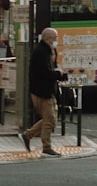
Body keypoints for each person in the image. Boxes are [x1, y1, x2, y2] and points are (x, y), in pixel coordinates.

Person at [20, 27, 68, 157]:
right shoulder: (41, 52)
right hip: (42, 91)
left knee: (51, 119)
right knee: (49, 119)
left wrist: (58, 73)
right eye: (55, 38)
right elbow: (45, 73)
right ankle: (46, 147)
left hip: (45, 89)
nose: (56, 40)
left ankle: (28, 135)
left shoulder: (48, 50)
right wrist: (59, 74)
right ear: (47, 38)